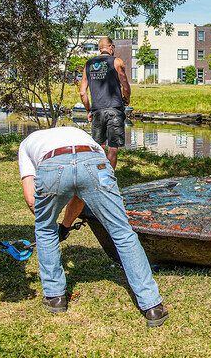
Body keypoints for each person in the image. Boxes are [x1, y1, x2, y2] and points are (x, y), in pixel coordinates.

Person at [18, 126, 168, 327]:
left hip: (52, 164)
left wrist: (55, 228)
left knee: (44, 229)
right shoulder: (76, 132)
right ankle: (152, 306)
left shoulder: (26, 144)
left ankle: (55, 297)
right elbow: (80, 193)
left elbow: (31, 200)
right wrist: (65, 226)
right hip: (94, 162)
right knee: (122, 232)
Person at [80, 37, 131, 170]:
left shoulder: (88, 64)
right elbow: (125, 86)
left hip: (97, 110)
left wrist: (88, 110)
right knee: (113, 147)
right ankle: (108, 178)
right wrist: (127, 99)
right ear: (111, 47)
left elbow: (82, 93)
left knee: (99, 147)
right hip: (114, 109)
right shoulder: (117, 62)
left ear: (99, 48)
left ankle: (100, 175)